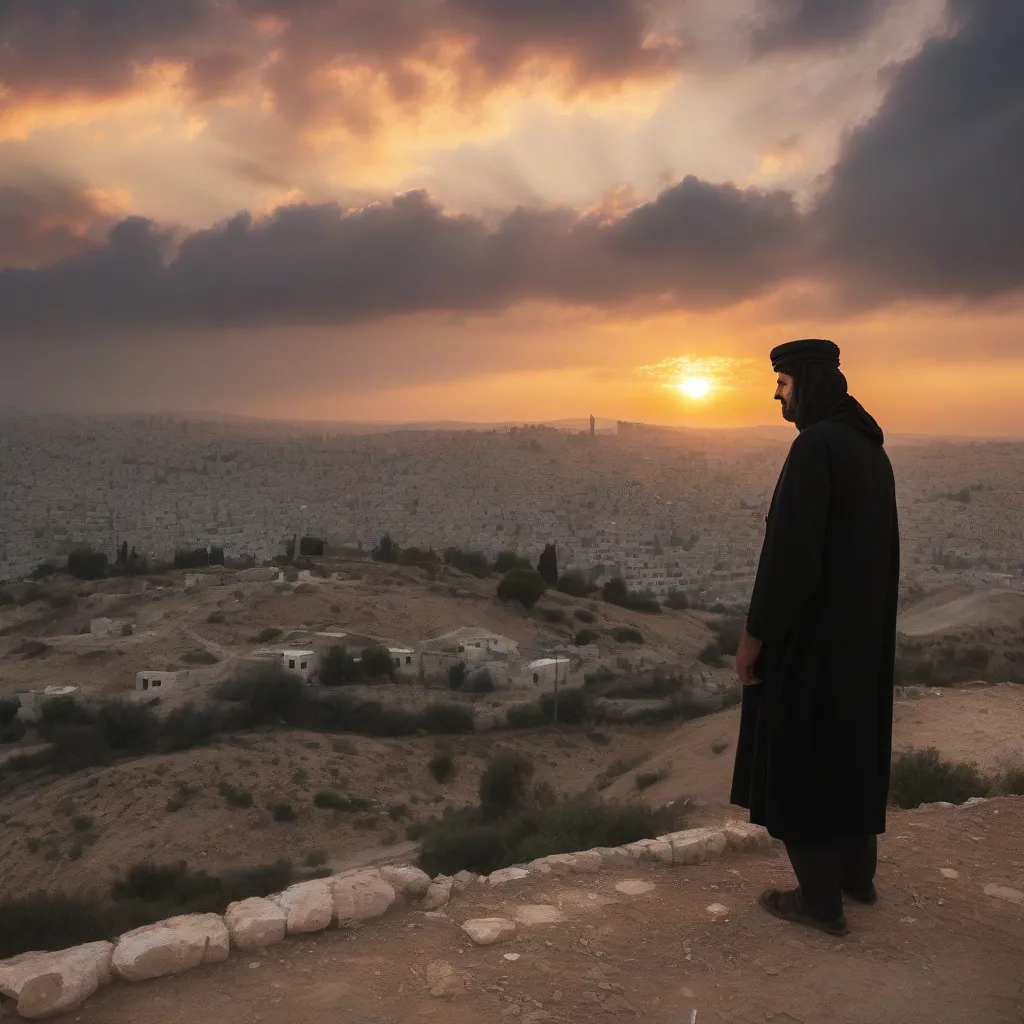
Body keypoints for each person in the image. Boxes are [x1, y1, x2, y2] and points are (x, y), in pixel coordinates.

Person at [730, 338, 900, 937]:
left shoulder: (814, 448)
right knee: (849, 755)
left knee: (800, 760)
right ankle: (857, 879)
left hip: (812, 644)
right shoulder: (867, 450)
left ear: (805, 381)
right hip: (859, 644)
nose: (776, 393)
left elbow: (788, 561)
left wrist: (754, 637)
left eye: (782, 382)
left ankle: (819, 902)